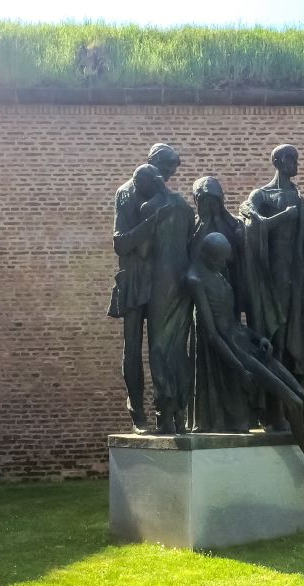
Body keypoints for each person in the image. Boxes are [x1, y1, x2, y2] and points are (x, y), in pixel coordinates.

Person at [187, 232, 304, 491]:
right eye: (221, 259)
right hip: (236, 350)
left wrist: (257, 337)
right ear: (210, 256)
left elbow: (233, 322)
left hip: (247, 341)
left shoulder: (218, 275)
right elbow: (213, 334)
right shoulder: (195, 280)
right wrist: (239, 367)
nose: (225, 264)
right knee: (293, 401)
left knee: (302, 396)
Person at [239, 144, 304, 431]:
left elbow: (299, 249)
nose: (296, 164)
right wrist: (283, 217)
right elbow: (251, 228)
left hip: (297, 282)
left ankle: (295, 406)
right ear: (277, 161)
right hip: (270, 282)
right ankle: (274, 413)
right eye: (291, 159)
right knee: (276, 343)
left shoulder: (299, 197)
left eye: (297, 159)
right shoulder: (261, 195)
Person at [107, 144, 193, 433]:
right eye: (166, 168)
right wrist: (152, 221)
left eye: (172, 171)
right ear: (152, 163)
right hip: (134, 275)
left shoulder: (167, 198)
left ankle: (168, 411)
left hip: (160, 280)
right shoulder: (126, 192)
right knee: (133, 346)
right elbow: (121, 243)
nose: (168, 175)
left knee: (163, 345)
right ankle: (137, 412)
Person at [188, 177, 251, 433]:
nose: (210, 206)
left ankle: (238, 415)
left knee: (233, 352)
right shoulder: (193, 228)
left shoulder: (233, 225)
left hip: (227, 299)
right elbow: (189, 261)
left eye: (214, 201)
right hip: (204, 303)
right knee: (206, 358)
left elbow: (239, 260)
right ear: (197, 201)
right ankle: (208, 418)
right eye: (203, 201)